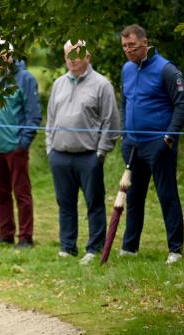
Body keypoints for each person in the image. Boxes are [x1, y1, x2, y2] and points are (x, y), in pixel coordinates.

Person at [119, 25, 184, 265]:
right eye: (125, 46)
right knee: (134, 197)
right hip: (133, 144)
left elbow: (182, 105)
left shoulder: (166, 70)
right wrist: (124, 136)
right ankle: (130, 247)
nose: (128, 51)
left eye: (132, 46)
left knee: (167, 195)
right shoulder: (127, 69)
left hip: (159, 144)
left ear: (145, 42)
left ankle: (175, 250)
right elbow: (124, 103)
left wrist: (168, 138)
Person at [46, 40, 119, 265]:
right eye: (69, 54)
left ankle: (94, 248)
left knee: (94, 204)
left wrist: (100, 153)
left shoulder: (101, 84)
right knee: (65, 204)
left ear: (88, 56)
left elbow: (111, 122)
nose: (73, 58)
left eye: (78, 54)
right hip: (60, 154)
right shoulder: (58, 83)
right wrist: (50, 148)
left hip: (89, 156)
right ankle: (67, 247)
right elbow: (50, 119)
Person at [0, 39, 41, 248]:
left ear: (10, 55)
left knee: (22, 193)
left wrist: (23, 143)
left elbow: (33, 114)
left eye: (2, 54)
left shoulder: (24, 78)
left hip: (15, 146)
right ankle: (5, 232)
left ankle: (26, 237)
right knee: (1, 193)